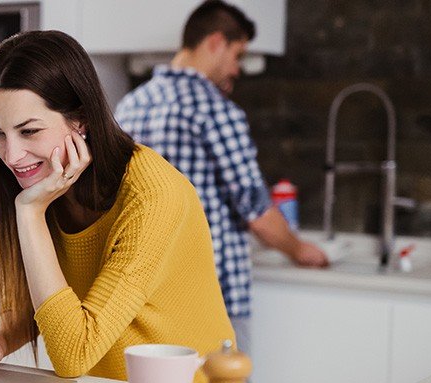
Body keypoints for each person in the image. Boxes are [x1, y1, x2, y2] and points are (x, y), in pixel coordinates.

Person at [0, 30, 234, 383]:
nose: (10, 155)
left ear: (81, 119)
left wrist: (30, 213)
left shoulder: (153, 195)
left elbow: (73, 353)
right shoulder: (48, 182)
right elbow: (42, 306)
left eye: (30, 131)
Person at [114, 0, 329, 359]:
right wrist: (299, 249)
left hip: (149, 293)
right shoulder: (215, 110)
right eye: (237, 55)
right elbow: (256, 211)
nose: (237, 69)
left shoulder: (131, 105)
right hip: (213, 293)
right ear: (215, 42)